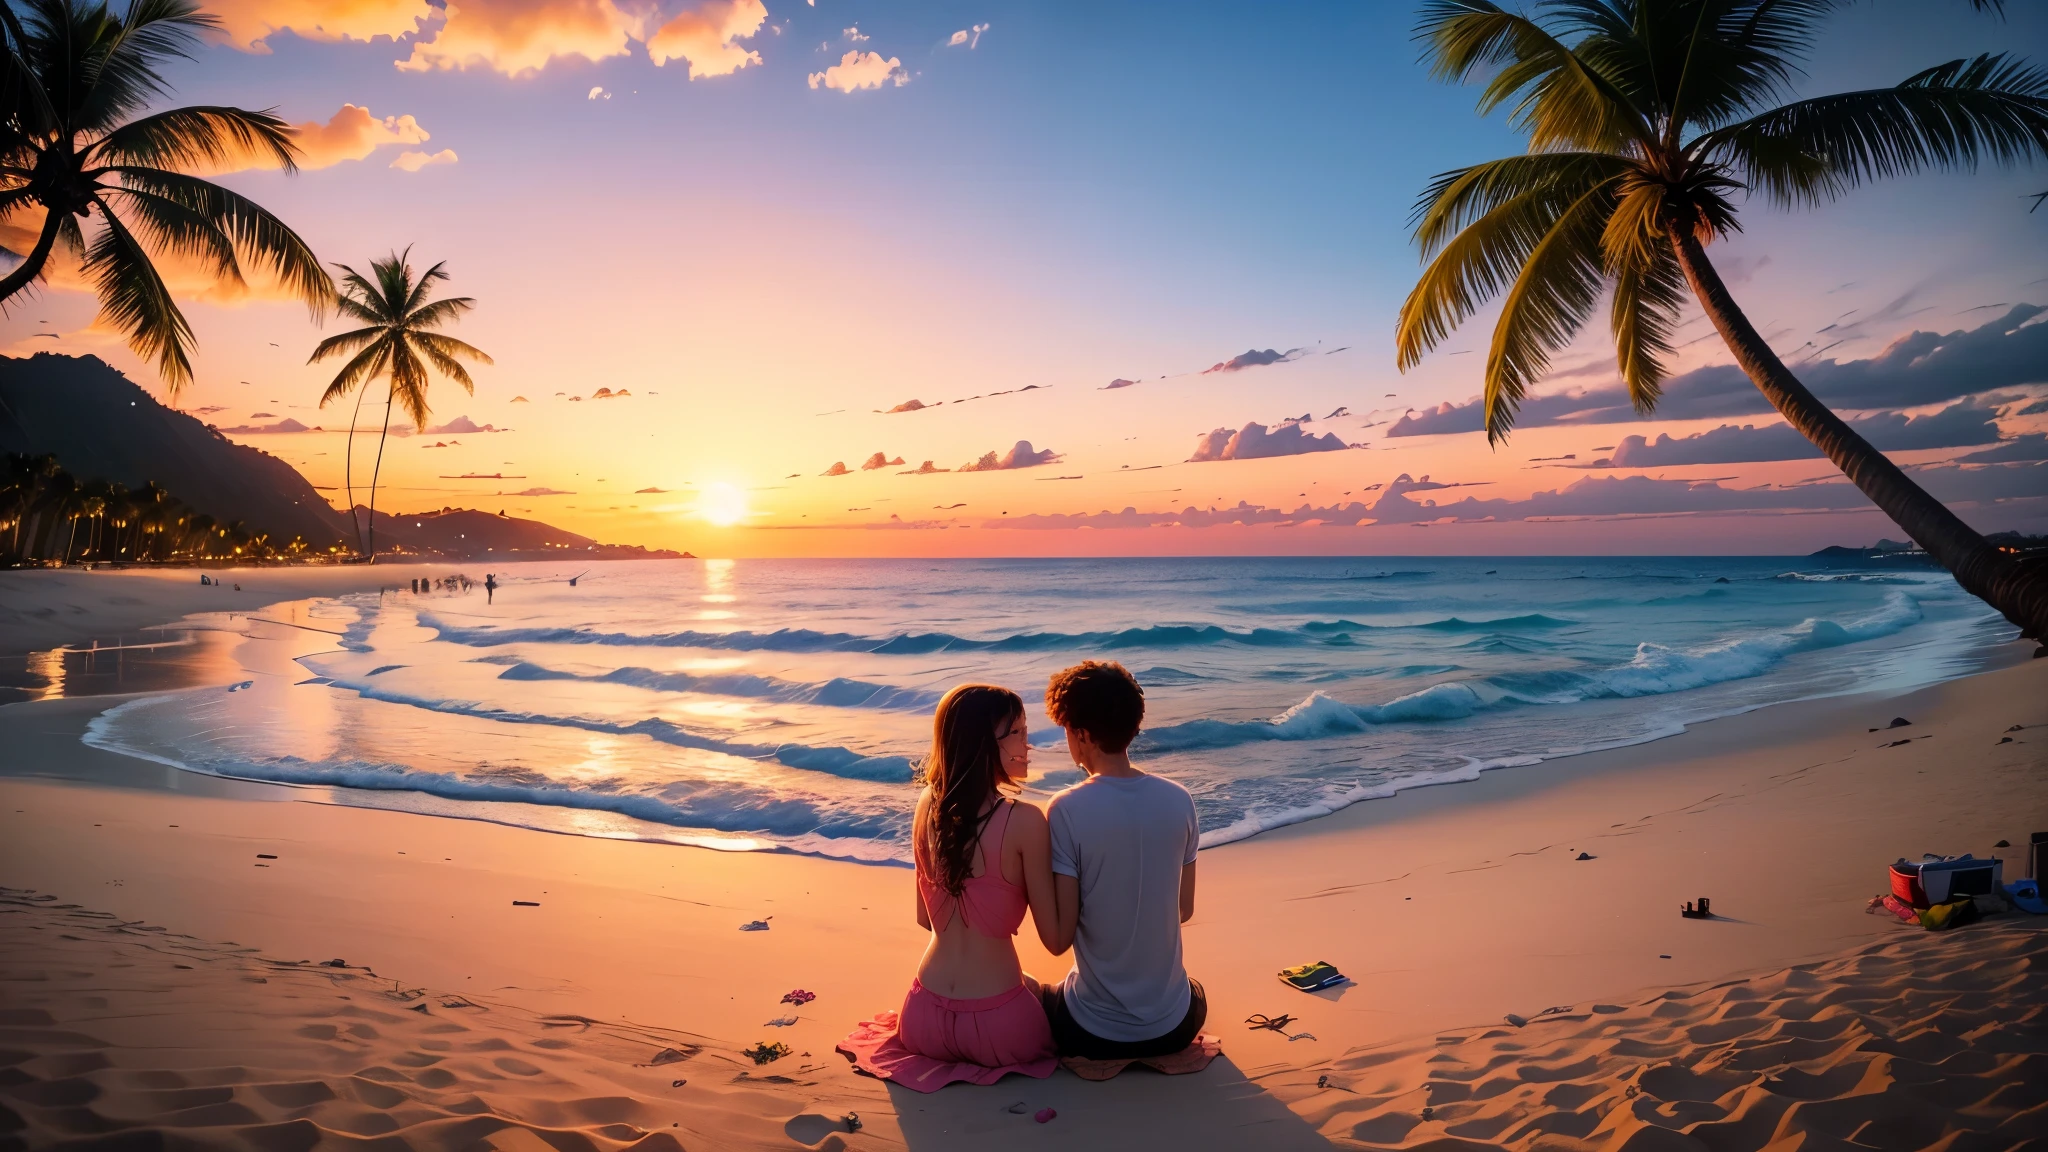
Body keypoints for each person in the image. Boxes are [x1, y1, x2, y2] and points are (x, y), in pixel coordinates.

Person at [838, 685, 1065, 1091]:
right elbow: (1054, 939)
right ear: (983, 743)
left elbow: (926, 919)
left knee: (1027, 982)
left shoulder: (927, 804)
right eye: (1016, 733)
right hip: (1002, 1028)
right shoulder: (1026, 821)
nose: (1028, 745)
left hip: (922, 1017)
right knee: (1050, 998)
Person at [1040, 660, 1206, 1060]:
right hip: (1175, 1027)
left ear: (1080, 735)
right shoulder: (1179, 799)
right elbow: (1183, 910)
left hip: (1092, 1034)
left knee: (1040, 994)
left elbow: (1059, 941)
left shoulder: (1065, 809)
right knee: (1192, 991)